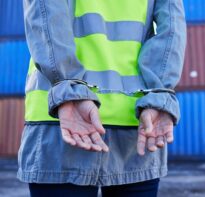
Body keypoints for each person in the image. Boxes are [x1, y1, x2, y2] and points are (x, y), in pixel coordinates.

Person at [17, 0, 186, 196]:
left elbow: (46, 15)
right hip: (138, 119)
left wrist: (68, 87)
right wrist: (160, 92)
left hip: (61, 115)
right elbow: (171, 27)